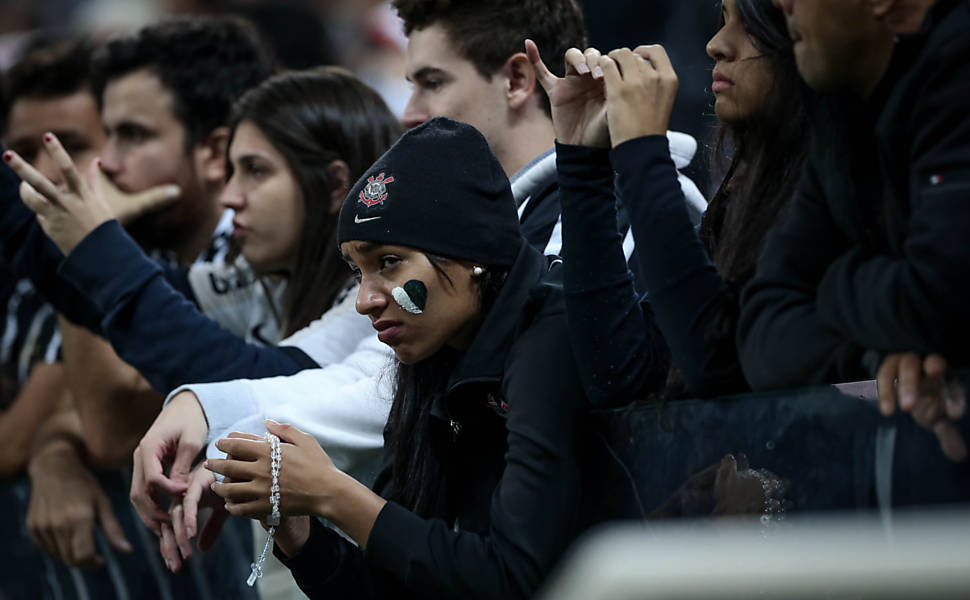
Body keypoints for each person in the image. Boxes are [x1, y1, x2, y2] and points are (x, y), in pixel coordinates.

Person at [5, 66, 401, 551]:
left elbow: (269, 379)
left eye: (255, 171)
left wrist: (98, 244)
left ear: (336, 183)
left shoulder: (375, 297)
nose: (231, 196)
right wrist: (61, 226)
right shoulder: (262, 282)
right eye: (233, 170)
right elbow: (111, 301)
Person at [204, 117, 590, 599]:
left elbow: (512, 579)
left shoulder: (550, 334)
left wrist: (334, 493)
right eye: (357, 270)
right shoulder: (432, 357)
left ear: (471, 252)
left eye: (388, 262)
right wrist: (301, 535)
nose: (365, 299)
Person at [527, 0, 810, 406]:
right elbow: (620, 376)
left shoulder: (841, 202)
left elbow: (714, 364)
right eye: (722, 20)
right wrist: (583, 160)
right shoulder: (740, 208)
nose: (716, 44)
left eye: (748, 26)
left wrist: (642, 149)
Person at [738, 0, 970, 461]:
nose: (780, 3)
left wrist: (835, 283)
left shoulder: (958, 65)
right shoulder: (839, 108)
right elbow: (761, 329)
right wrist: (877, 361)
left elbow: (943, 295)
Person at [391, 0, 706, 269]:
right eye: (411, 86)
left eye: (433, 83)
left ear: (516, 80)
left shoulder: (618, 214)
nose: (409, 114)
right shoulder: (446, 227)